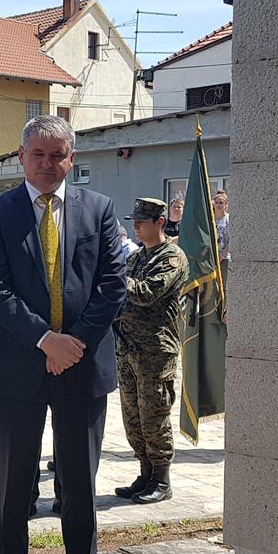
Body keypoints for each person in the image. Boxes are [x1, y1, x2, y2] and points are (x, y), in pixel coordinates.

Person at [0, 115, 127, 554]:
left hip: (82, 368)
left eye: (57, 155)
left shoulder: (99, 209)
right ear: (21, 157)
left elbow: (113, 284)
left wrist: (72, 343)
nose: (46, 164)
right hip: (17, 370)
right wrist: (45, 340)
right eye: (37, 154)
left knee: (79, 486)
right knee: (13, 488)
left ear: (72, 159)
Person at [114, 198, 190, 505]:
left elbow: (148, 292)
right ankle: (144, 472)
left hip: (156, 351)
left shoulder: (172, 257)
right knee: (132, 416)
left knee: (154, 415)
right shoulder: (135, 258)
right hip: (128, 347)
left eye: (142, 221)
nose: (136, 226)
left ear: (160, 222)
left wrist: (114, 279)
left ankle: (161, 478)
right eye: (134, 221)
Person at [212, 189, 230, 287]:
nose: (218, 204)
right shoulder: (210, 219)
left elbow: (232, 240)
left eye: (221, 202)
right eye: (217, 202)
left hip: (224, 257)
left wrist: (222, 255)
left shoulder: (229, 219)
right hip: (211, 258)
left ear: (226, 205)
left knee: (223, 286)